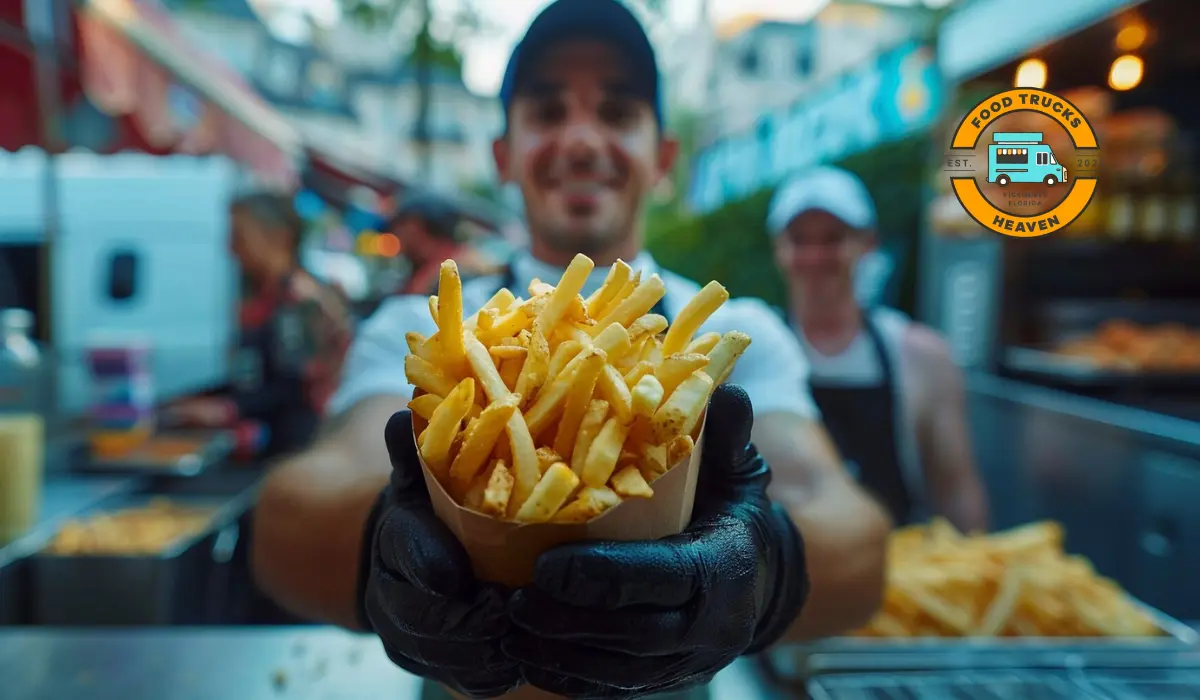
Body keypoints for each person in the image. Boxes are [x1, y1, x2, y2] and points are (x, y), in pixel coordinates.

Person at [251, 2, 891, 698]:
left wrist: (766, 568)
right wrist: (382, 549)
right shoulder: (425, 327)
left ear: (664, 158)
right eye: (548, 113)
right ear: (503, 155)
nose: (582, 140)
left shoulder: (737, 335)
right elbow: (286, 525)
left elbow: (856, 542)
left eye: (617, 114)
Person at [767, 166, 989, 532]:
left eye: (832, 239)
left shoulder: (921, 356)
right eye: (799, 240)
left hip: (898, 578)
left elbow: (957, 493)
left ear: (868, 243)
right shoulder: (757, 350)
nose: (815, 256)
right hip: (784, 580)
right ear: (779, 249)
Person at [166, 192, 354, 459]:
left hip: (297, 448)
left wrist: (226, 408)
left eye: (239, 237)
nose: (230, 249)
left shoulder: (302, 299)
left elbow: (294, 386)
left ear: (278, 237)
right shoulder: (254, 295)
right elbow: (252, 373)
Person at [389, 192, 499, 295]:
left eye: (400, 224)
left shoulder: (468, 271)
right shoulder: (420, 266)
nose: (395, 231)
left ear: (414, 226)